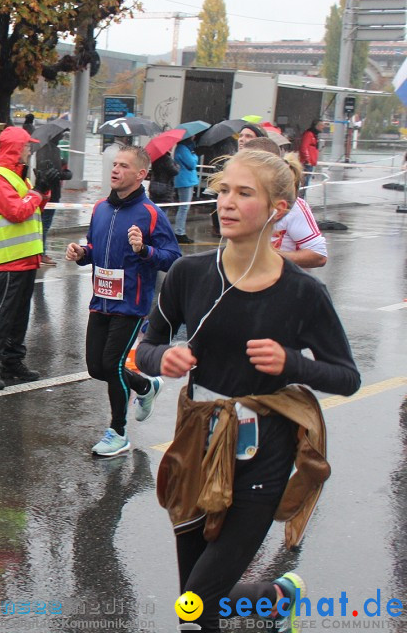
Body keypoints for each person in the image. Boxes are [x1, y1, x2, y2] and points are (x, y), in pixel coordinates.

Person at [136, 146, 360, 632]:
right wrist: (162, 358)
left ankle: (266, 599)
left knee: (193, 608)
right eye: (222, 192)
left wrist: (292, 363)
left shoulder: (302, 292)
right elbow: (146, 345)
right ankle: (276, 598)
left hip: (267, 454)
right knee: (199, 596)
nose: (227, 203)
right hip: (199, 447)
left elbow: (347, 376)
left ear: (277, 209)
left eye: (244, 193)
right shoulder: (189, 274)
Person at [65, 145, 180, 456]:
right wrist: (81, 254)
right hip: (100, 299)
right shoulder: (101, 208)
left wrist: (145, 251)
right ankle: (145, 386)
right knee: (96, 368)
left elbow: (174, 259)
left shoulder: (151, 214)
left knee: (113, 364)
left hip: (131, 303)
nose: (115, 170)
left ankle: (118, 431)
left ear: (141, 174)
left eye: (124, 166)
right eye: (114, 164)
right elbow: (94, 247)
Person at [0, 126, 50, 391]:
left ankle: (13, 362)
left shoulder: (17, 176)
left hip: (25, 259)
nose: (29, 150)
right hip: (8, 261)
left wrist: (44, 191)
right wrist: (37, 192)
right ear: (15, 149)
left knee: (19, 316)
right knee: (2, 315)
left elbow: (32, 207)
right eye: (26, 146)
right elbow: (17, 211)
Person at [241, 138, 329, 269]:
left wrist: (270, 257)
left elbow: (319, 256)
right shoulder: (235, 201)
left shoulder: (294, 207)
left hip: (277, 285)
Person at [33, 131, 73, 265]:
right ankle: (41, 253)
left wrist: (63, 171)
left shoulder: (46, 149)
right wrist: (64, 174)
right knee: (44, 224)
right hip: (49, 193)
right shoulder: (49, 150)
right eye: (60, 135)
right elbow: (51, 173)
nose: (62, 137)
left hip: (49, 193)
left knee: (44, 224)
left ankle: (39, 252)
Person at [173, 136, 199, 244]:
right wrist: (194, 155)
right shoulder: (183, 148)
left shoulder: (182, 148)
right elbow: (192, 164)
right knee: (184, 207)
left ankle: (180, 231)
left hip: (185, 180)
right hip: (185, 180)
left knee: (184, 207)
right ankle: (179, 232)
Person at [298, 120, 321, 198]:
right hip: (307, 163)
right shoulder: (309, 134)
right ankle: (300, 198)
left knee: (306, 183)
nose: (323, 127)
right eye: (321, 125)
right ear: (316, 126)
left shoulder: (314, 135)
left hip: (310, 162)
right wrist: (307, 159)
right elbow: (304, 147)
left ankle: (301, 198)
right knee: (304, 183)